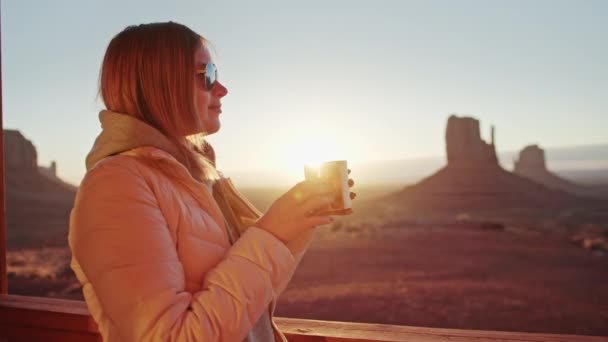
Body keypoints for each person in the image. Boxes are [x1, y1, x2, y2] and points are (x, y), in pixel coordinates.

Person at [68, 21, 356, 342]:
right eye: (207, 76)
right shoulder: (117, 186)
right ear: (161, 84)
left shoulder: (193, 177)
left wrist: (298, 223)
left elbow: (248, 300)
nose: (221, 89)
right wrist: (271, 232)